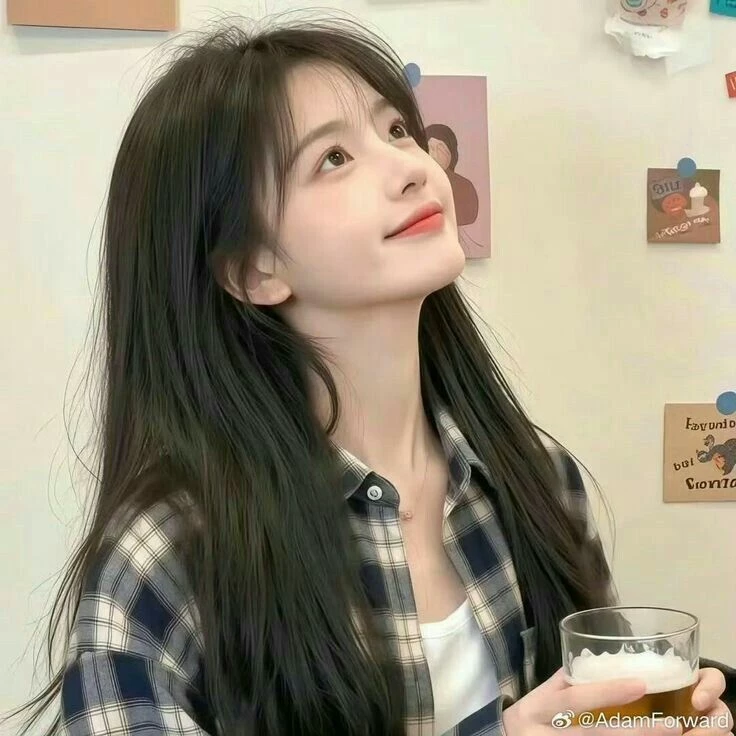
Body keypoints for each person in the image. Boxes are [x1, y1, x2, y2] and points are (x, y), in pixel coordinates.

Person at [8, 16, 731, 736]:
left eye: (397, 131)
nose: (413, 167)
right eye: (333, 158)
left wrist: (657, 720)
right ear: (253, 269)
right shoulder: (167, 550)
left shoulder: (539, 478)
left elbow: (596, 716)